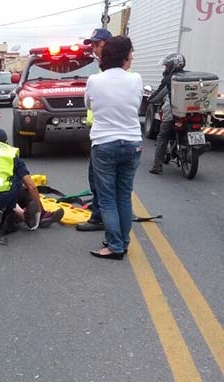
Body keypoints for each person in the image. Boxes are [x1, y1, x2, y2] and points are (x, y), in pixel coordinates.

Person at [85, 36, 143, 259]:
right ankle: (123, 242)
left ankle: (115, 245)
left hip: (104, 143)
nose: (133, 56)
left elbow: (88, 104)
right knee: (124, 195)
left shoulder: (94, 80)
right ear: (124, 55)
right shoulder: (136, 79)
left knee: (107, 198)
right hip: (132, 143)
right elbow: (136, 103)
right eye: (131, 52)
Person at [0, 128, 64, 242]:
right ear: (5, 142)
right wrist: (38, 211)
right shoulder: (9, 154)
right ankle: (12, 218)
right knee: (16, 180)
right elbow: (31, 186)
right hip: (2, 196)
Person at [76, 28, 112, 233]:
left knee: (100, 180)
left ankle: (100, 216)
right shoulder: (100, 70)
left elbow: (90, 100)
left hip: (106, 135)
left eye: (98, 45)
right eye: (93, 46)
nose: (95, 49)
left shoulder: (105, 74)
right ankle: (102, 211)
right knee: (99, 180)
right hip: (99, 131)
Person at [148, 53, 187, 174]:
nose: (165, 69)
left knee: (162, 137)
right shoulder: (189, 76)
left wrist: (150, 99)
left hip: (174, 112)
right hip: (191, 113)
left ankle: (157, 166)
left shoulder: (169, 79)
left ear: (173, 66)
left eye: (167, 66)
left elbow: (158, 95)